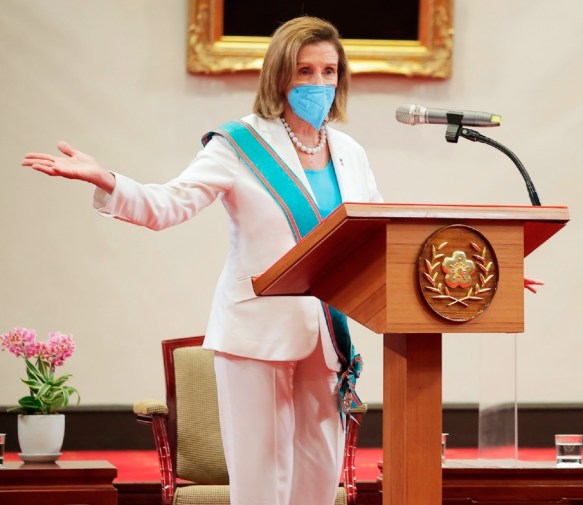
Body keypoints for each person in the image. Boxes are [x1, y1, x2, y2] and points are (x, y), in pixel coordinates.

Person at [21, 16, 380, 505]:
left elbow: (376, 235)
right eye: (304, 71)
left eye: (329, 72)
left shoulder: (349, 153)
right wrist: (106, 179)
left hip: (326, 337)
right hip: (255, 334)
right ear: (279, 76)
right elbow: (169, 204)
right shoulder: (239, 144)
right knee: (261, 481)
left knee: (319, 478)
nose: (318, 83)